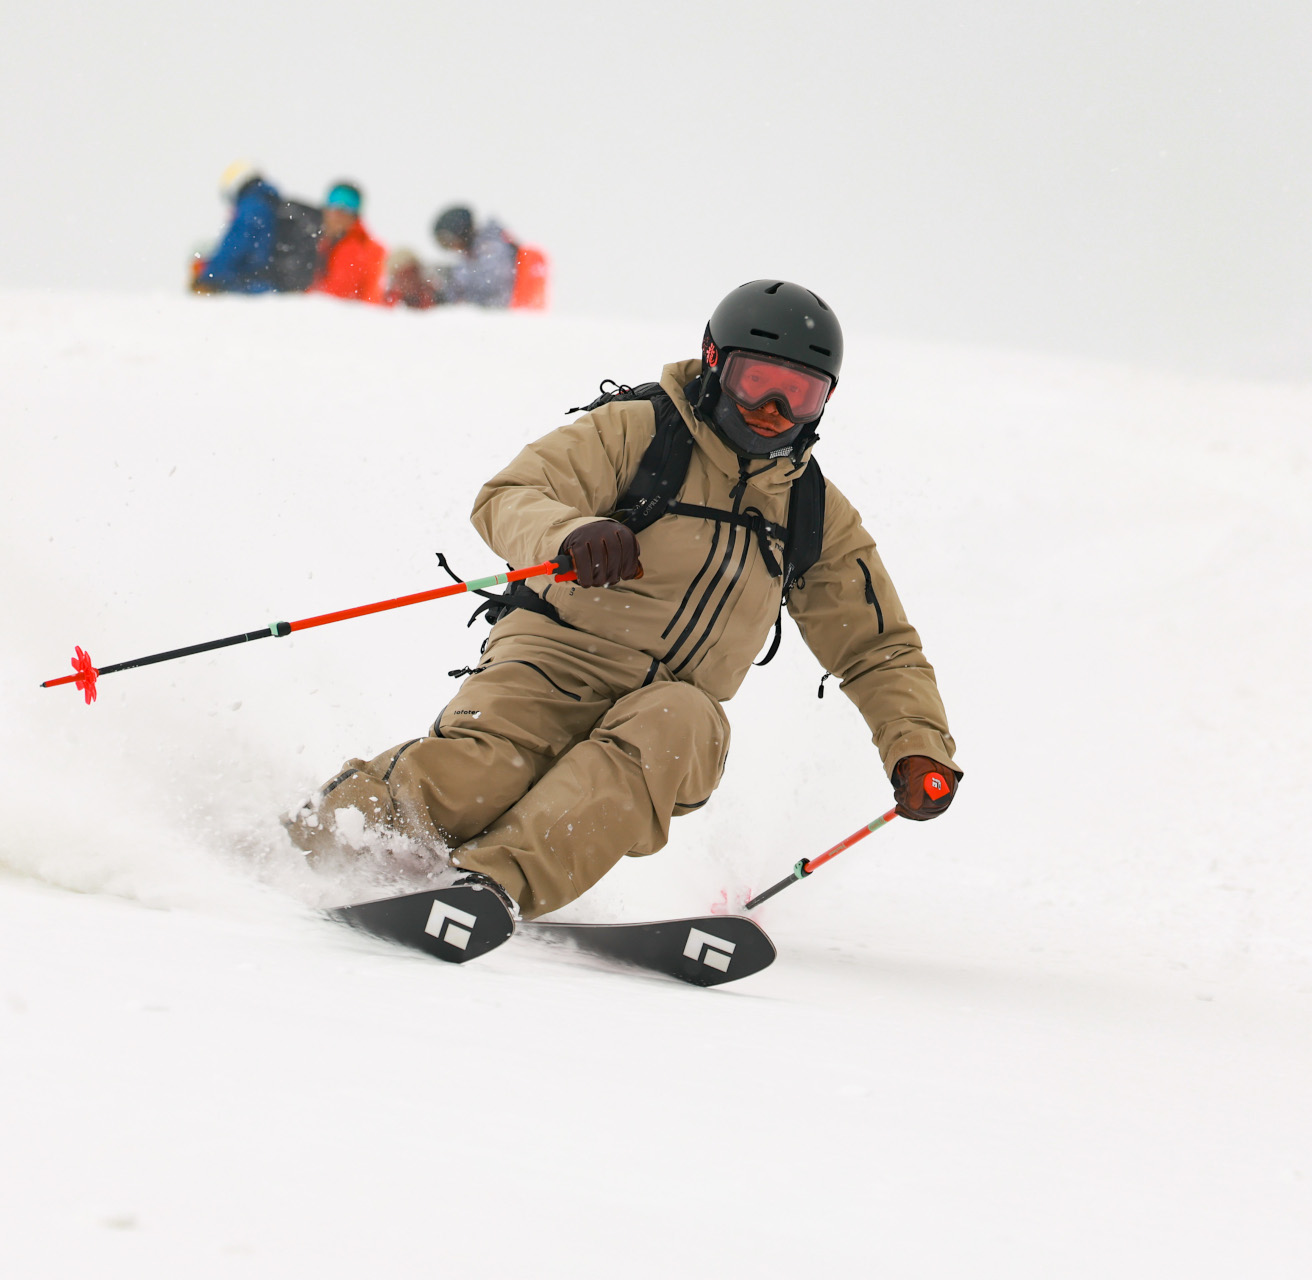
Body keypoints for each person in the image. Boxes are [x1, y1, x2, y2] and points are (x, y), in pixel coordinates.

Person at [287, 280, 961, 920]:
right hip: (552, 658)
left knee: (676, 723)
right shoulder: (638, 434)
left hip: (674, 705)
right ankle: (319, 840)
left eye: (799, 395)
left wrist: (918, 745)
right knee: (481, 776)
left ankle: (491, 886)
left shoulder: (812, 510)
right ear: (714, 363)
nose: (772, 412)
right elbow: (509, 497)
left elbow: (877, 647)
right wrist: (572, 532)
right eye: (756, 383)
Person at [192, 162, 283, 294]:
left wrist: (209, 276)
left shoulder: (251, 205)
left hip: (255, 284)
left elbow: (235, 244)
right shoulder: (269, 202)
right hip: (271, 280)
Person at [309, 183, 386, 304]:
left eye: (349, 205)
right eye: (334, 201)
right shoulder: (320, 242)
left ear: (355, 215)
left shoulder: (359, 247)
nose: (339, 211)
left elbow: (336, 298)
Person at [429, 205, 518, 308]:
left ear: (461, 233)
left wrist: (451, 280)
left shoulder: (492, 245)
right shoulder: (472, 254)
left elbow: (494, 285)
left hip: (507, 312)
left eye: (449, 241)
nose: (452, 248)